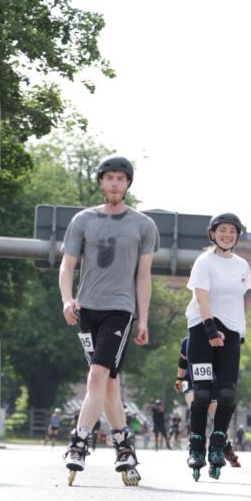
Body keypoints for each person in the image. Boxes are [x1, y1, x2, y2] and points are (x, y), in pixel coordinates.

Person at [58, 154, 159, 483]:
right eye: (109, 177)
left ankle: (78, 443)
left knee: (97, 376)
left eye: (121, 178)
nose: (115, 183)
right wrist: (67, 300)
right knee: (109, 385)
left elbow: (144, 277)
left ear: (128, 184)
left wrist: (142, 319)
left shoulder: (143, 225)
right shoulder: (83, 220)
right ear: (101, 182)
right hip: (87, 309)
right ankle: (124, 446)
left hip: (120, 310)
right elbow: (67, 266)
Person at [184, 213, 251, 476]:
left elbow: (238, 302)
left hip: (232, 331)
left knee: (227, 393)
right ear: (212, 234)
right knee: (201, 394)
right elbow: (202, 299)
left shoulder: (243, 266)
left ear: (237, 236)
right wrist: (211, 329)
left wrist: (240, 332)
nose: (227, 235)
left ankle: (217, 443)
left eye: (232, 231)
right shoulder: (204, 262)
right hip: (202, 329)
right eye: (222, 230)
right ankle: (196, 445)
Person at [174, 333, 241, 467]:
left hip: (211, 382)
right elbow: (182, 362)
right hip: (191, 382)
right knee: (196, 406)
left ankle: (224, 445)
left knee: (217, 415)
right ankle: (196, 446)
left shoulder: (221, 340)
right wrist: (179, 379)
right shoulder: (188, 340)